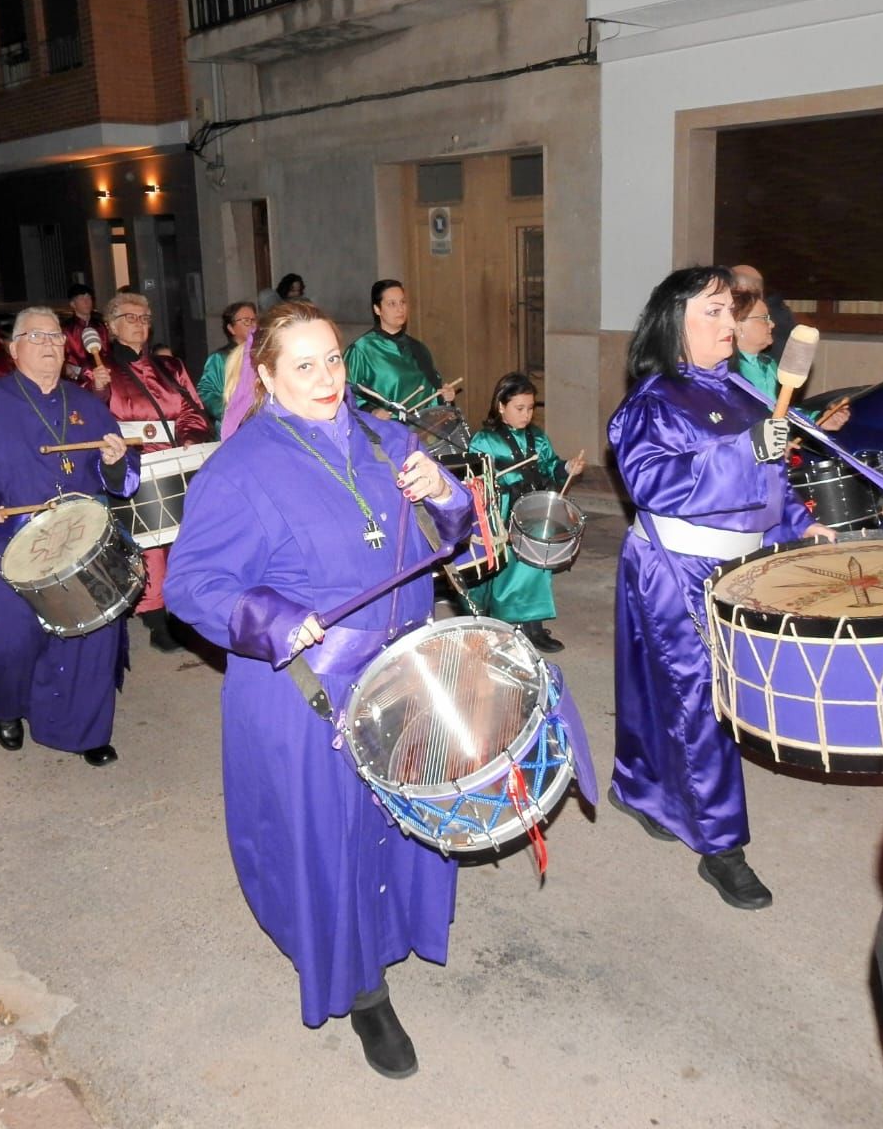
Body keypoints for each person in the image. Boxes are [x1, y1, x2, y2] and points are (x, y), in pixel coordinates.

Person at [166, 300, 475, 1079]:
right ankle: (361, 991)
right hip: (306, 688)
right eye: (303, 364)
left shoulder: (387, 437)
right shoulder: (237, 468)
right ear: (265, 376)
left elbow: (455, 530)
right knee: (329, 836)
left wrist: (442, 492)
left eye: (333, 358)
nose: (327, 377)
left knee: (402, 818)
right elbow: (192, 584)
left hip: (403, 671)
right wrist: (267, 618)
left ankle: (396, 931)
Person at [607, 265, 834, 911]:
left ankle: (639, 786)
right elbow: (651, 482)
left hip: (737, 567)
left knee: (663, 690)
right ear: (673, 324)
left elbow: (770, 485)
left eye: (729, 310)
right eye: (711, 310)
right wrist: (743, 452)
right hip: (675, 565)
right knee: (701, 702)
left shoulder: (741, 390)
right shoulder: (651, 401)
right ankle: (721, 845)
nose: (728, 322)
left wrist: (799, 524)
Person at [0, 307, 139, 767]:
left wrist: (117, 461)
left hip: (78, 546)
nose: (48, 345)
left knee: (90, 638)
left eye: (56, 338)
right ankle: (6, 708)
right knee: (7, 641)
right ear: (13, 347)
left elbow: (120, 478)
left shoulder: (87, 406)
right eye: (36, 336)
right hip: (8, 542)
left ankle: (84, 729)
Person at [86, 292, 212, 652]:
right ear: (111, 326)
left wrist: (190, 437)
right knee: (151, 542)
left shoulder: (170, 367)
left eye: (145, 318)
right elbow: (89, 418)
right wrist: (97, 389)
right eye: (130, 317)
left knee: (186, 538)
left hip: (177, 459)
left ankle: (187, 606)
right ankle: (155, 614)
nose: (140, 324)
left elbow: (192, 408)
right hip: (134, 464)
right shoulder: (101, 371)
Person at [468, 371, 583, 652]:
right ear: (501, 406)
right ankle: (502, 626)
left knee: (537, 566)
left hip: (533, 509)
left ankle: (533, 626)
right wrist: (493, 485)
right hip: (504, 513)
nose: (526, 415)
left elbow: (550, 466)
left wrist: (566, 468)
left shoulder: (538, 438)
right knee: (507, 572)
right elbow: (474, 479)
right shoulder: (484, 440)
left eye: (530, 408)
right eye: (519, 408)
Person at [730, 293, 851, 431]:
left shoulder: (769, 364)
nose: (772, 324)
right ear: (738, 327)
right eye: (764, 318)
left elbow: (781, 409)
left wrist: (820, 418)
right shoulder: (723, 370)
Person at [345, 279, 457, 417]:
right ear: (377, 309)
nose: (400, 309)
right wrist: (372, 412)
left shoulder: (418, 349)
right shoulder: (361, 350)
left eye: (402, 302)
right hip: (384, 432)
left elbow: (433, 395)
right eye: (392, 304)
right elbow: (345, 395)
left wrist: (445, 397)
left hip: (420, 431)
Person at [197, 301, 258, 434]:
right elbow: (206, 392)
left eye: (254, 320)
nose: (253, 325)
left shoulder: (261, 355)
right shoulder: (220, 358)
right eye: (246, 321)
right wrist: (234, 412)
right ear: (231, 328)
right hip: (233, 429)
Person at [731, 264, 797, 361]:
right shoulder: (781, 311)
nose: (771, 324)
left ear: (742, 289)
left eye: (730, 288)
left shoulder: (774, 317)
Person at [60, 282, 108, 382]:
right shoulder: (65, 329)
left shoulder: (100, 326)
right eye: (82, 299)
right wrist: (78, 372)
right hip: (77, 381)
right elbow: (61, 359)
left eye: (89, 298)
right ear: (73, 304)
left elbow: (107, 353)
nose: (87, 302)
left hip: (102, 376)